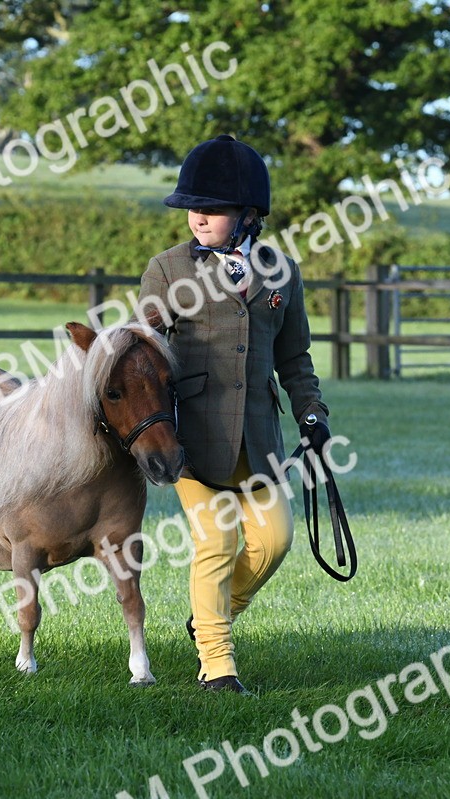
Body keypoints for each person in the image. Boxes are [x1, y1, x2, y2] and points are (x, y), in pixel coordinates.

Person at [136, 134, 330, 693]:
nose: (197, 216)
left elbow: (295, 359)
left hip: (259, 437)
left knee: (274, 542)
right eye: (192, 206)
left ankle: (208, 619)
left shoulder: (282, 273)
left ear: (248, 216)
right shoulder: (167, 271)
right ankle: (217, 665)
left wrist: (312, 413)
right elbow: (144, 354)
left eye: (213, 208)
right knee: (216, 544)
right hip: (192, 440)